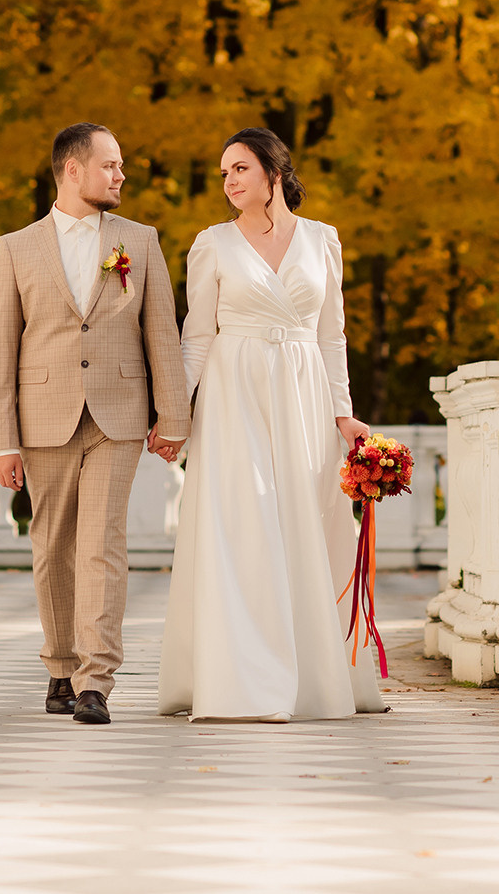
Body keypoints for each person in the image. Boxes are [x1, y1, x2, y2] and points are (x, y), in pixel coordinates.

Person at [158, 127, 386, 721]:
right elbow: (196, 338)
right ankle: (243, 682)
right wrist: (174, 414)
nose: (230, 181)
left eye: (240, 169)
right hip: (235, 396)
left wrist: (344, 414)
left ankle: (315, 678)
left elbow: (331, 334)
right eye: (224, 173)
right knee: (244, 525)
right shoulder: (212, 244)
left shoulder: (322, 240)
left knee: (303, 526)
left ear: (273, 172)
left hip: (305, 396)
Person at [0, 122, 190, 726]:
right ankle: (59, 666)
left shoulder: (141, 241)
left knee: (102, 543)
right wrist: (3, 440)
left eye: (121, 166)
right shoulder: (15, 248)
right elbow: (0, 350)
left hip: (118, 415)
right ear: (72, 170)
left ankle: (96, 680)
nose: (121, 175)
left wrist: (173, 416)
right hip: (43, 416)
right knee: (52, 547)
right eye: (111, 165)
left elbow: (162, 334)